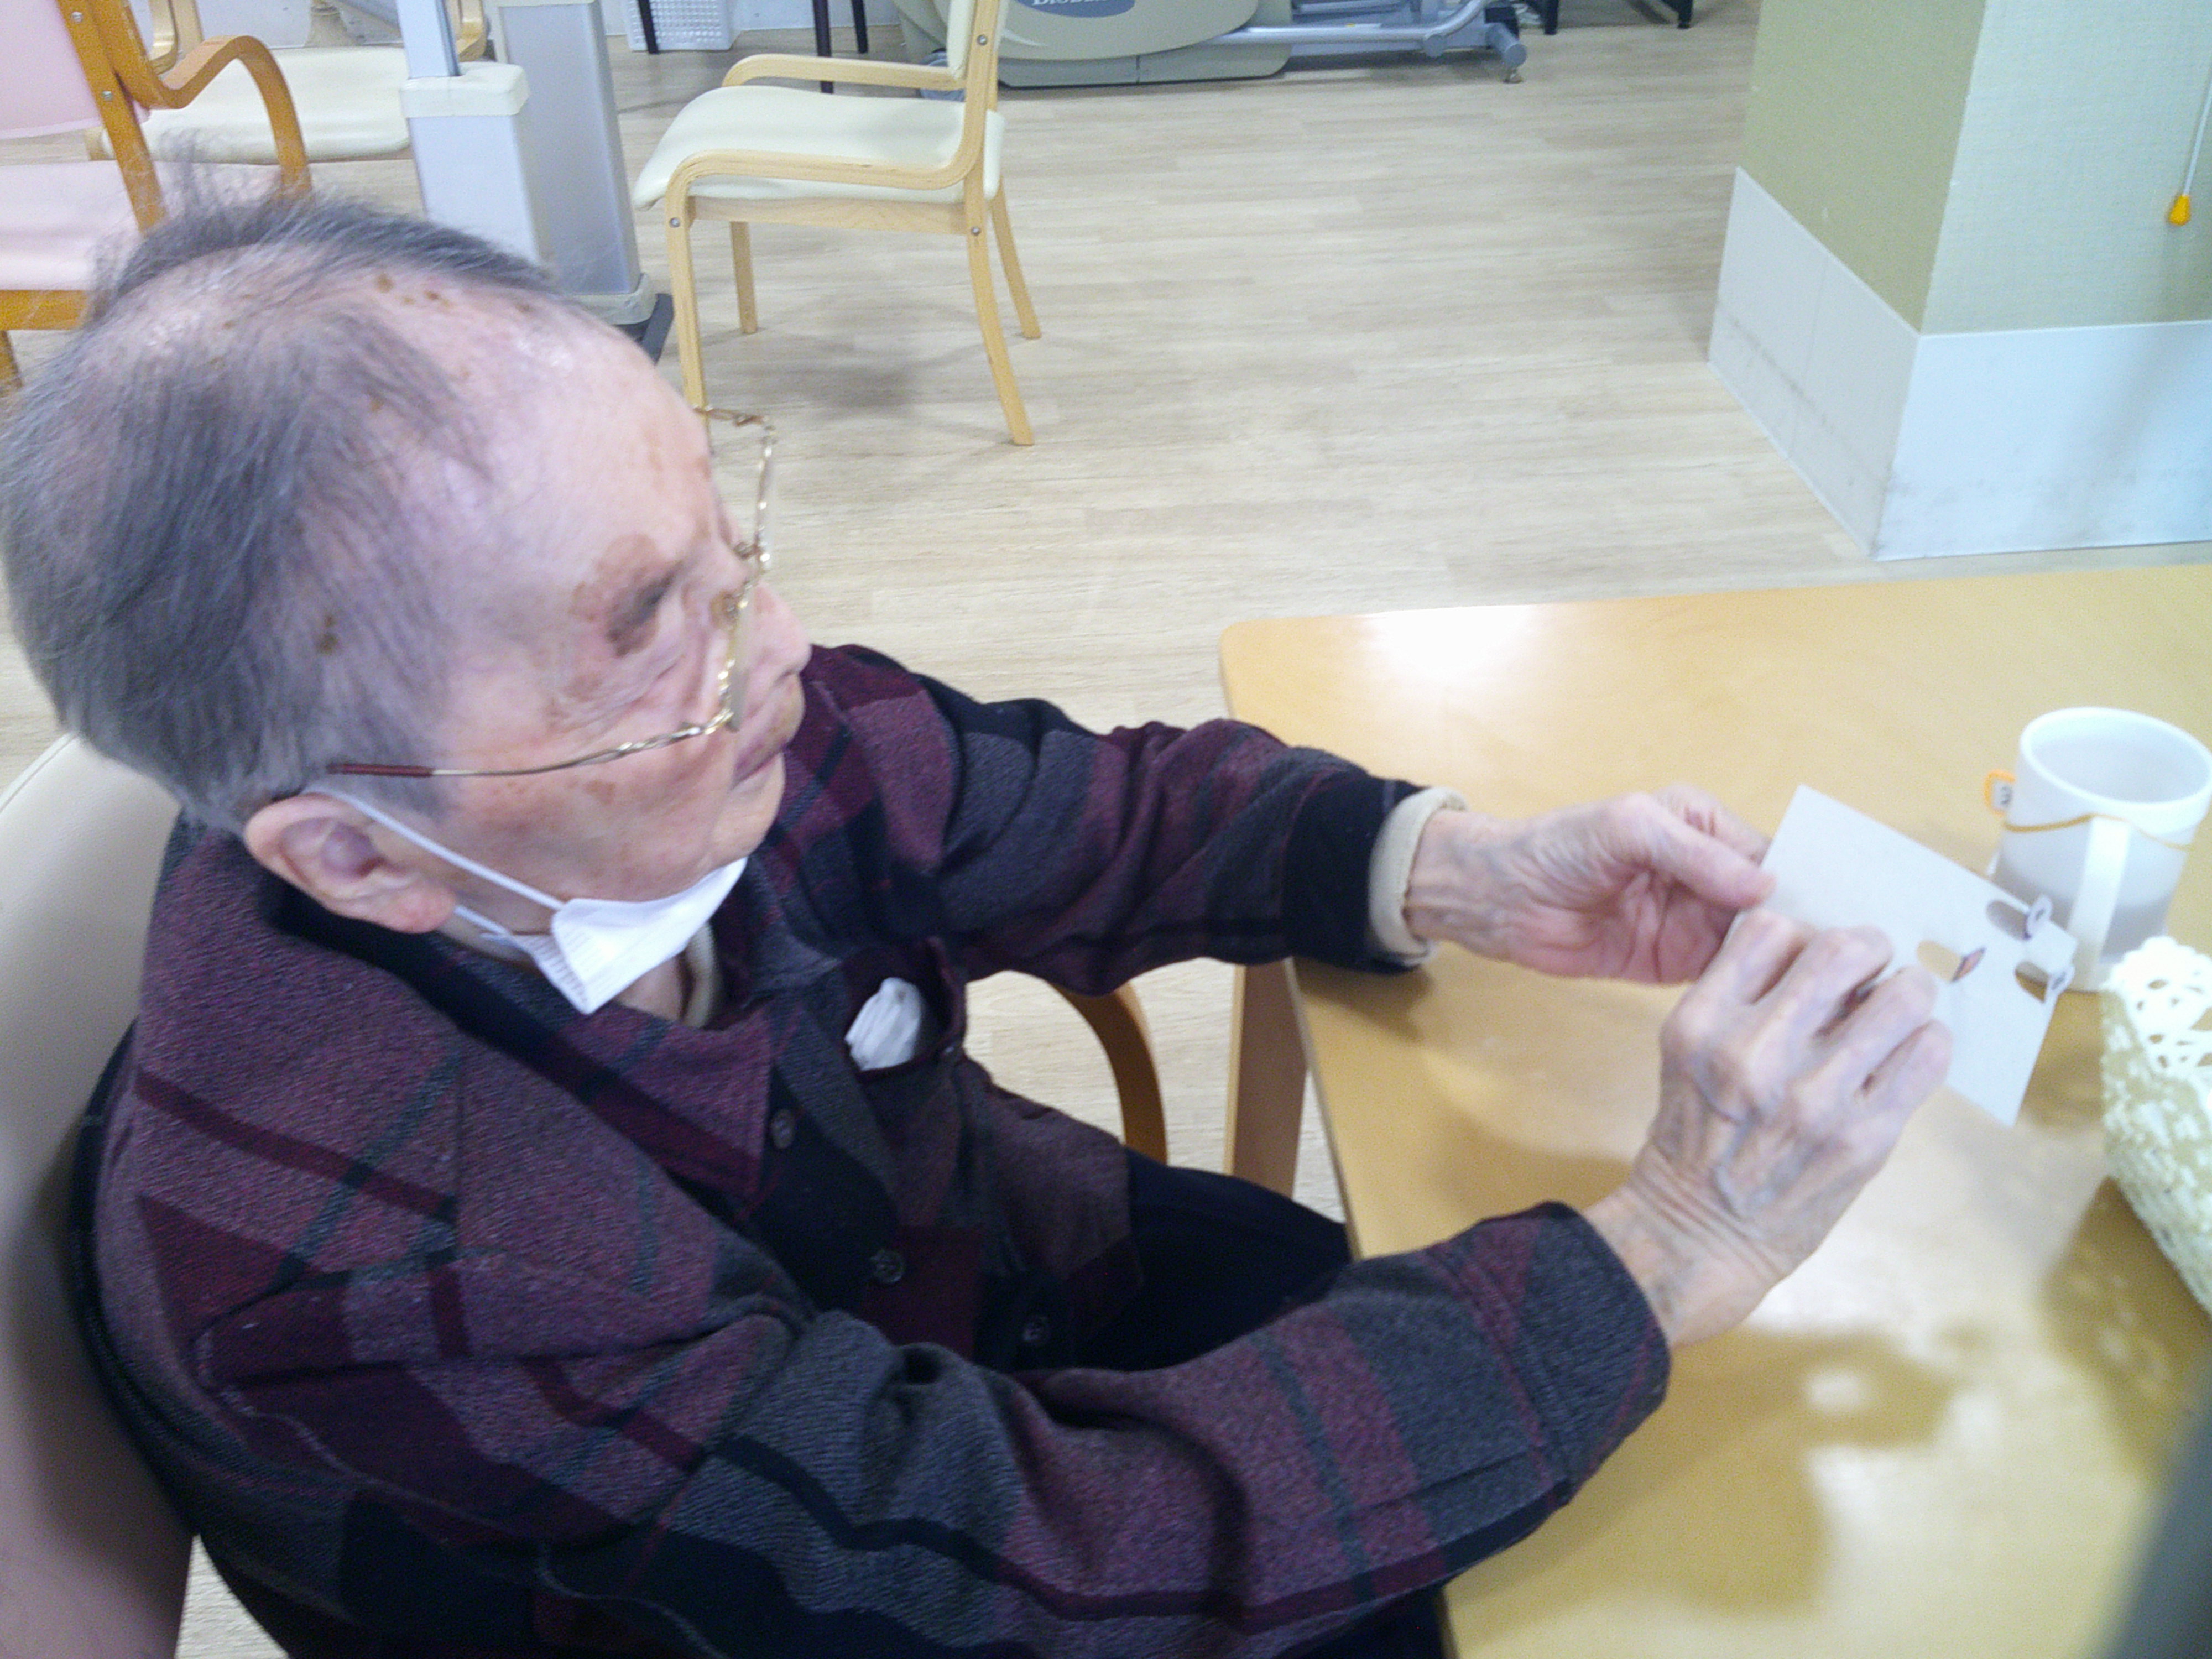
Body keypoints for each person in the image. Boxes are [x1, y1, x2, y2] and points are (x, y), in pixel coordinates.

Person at [1, 194, 1950, 1659]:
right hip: (800, 1580)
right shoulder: (377, 1256)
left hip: (967, 1285)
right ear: (356, 862)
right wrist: (1674, 1244)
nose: (775, 645)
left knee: (1398, 1324)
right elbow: (1005, 1566)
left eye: (724, 532)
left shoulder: (667, 759)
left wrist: (1459, 867)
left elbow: (1069, 806)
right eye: (646, 622)